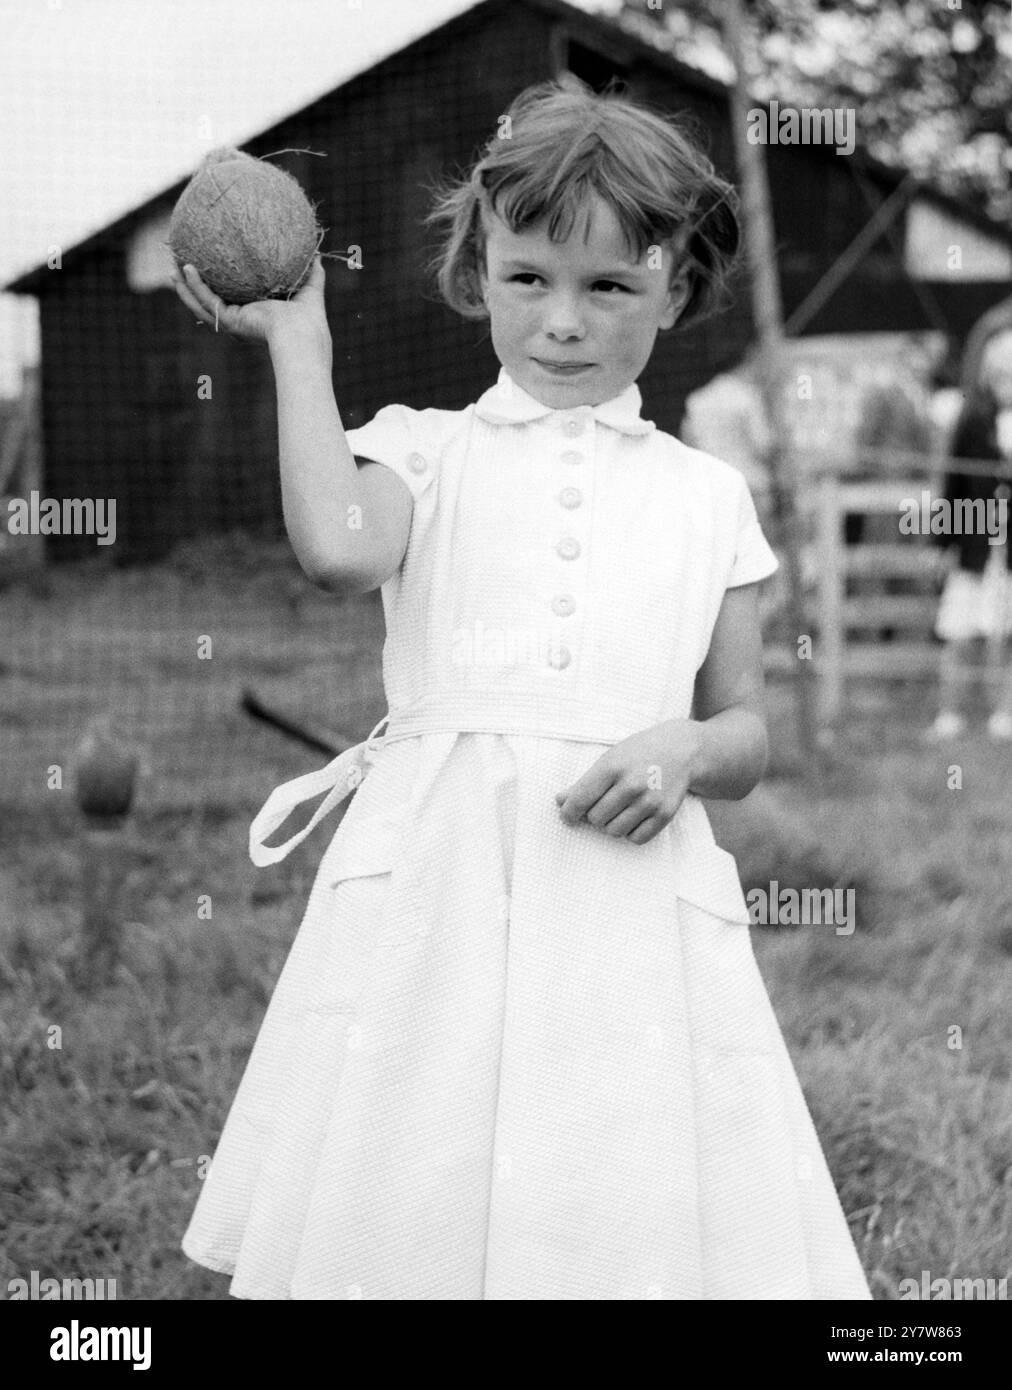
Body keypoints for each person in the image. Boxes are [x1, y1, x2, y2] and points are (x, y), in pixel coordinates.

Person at [170, 77, 871, 1300]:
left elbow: (747, 727)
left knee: (615, 1168)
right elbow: (338, 549)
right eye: (527, 278)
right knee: (418, 1154)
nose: (564, 321)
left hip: (626, 888)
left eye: (612, 286)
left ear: (677, 290)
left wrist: (685, 752)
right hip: (439, 881)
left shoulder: (706, 496)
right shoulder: (421, 449)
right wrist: (299, 341)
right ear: (476, 275)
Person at [927, 326, 1012, 742]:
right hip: (976, 539)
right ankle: (950, 713)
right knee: (960, 630)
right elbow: (954, 484)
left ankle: (1003, 713)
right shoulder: (973, 419)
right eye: (1002, 374)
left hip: (1008, 551)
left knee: (1006, 633)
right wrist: (944, 542)